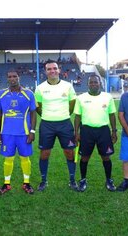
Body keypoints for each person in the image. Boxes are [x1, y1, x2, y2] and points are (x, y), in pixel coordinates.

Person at [34, 60, 77, 191]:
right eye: (49, 69)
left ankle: (72, 180)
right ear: (45, 71)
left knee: (69, 152)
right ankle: (43, 181)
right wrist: (48, 116)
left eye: (54, 68)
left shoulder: (68, 86)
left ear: (59, 70)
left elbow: (72, 104)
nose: (52, 71)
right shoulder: (40, 88)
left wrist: (63, 115)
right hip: (47, 125)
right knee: (44, 153)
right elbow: (38, 107)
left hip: (65, 124)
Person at [0, 70, 36, 195]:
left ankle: (26, 183)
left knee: (25, 158)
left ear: (19, 77)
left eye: (15, 76)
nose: (12, 78)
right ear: (7, 79)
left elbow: (33, 113)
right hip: (7, 133)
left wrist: (32, 131)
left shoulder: (29, 94)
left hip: (24, 133)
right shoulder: (1, 94)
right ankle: (6, 184)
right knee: (8, 159)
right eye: (10, 76)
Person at [74, 75, 117, 192]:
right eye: (91, 82)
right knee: (84, 157)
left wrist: (114, 131)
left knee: (106, 157)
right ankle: (83, 180)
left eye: (96, 82)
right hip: (86, 131)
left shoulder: (107, 97)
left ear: (100, 83)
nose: (93, 84)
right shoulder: (81, 98)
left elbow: (112, 115)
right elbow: (77, 116)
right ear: (88, 84)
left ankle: (109, 180)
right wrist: (76, 132)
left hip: (103, 130)